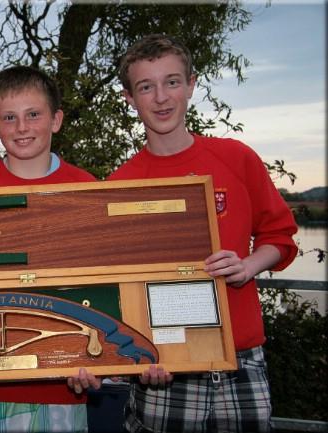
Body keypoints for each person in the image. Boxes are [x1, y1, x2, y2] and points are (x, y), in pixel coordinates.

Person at [106, 34, 298, 433]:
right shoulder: (120, 182)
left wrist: (247, 266)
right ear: (129, 98)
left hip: (241, 358)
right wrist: (140, 356)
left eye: (172, 82)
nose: (161, 97)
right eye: (146, 86)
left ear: (191, 84)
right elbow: (117, 283)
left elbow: (279, 238)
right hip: (164, 362)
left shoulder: (235, 157)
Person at [0, 65, 101, 433]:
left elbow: (100, 287)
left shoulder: (88, 189)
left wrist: (101, 359)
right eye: (9, 118)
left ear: (56, 120)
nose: (22, 127)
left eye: (33, 115)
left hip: (66, 384)